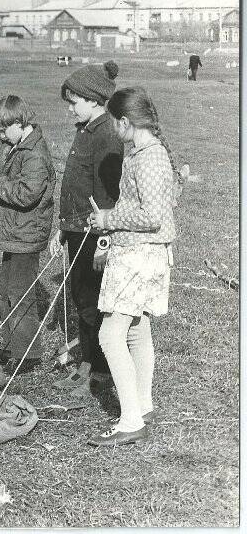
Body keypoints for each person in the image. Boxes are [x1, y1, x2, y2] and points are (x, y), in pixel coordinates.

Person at [87, 87, 179, 446]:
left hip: (141, 254)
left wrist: (109, 217)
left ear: (125, 121)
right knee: (136, 330)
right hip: (140, 252)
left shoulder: (151, 158)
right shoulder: (140, 152)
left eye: (114, 121)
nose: (113, 128)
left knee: (110, 335)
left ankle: (130, 422)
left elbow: (153, 216)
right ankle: (142, 405)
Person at [48, 61, 123, 395]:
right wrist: (64, 229)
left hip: (96, 234)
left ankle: (101, 373)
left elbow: (107, 194)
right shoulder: (86, 129)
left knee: (94, 302)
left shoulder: (106, 135)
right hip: (78, 230)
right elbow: (77, 188)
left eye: (73, 102)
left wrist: (104, 241)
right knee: (81, 298)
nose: (69, 109)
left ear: (94, 100)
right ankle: (87, 364)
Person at [0, 95, 55, 375]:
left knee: (20, 294)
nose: (2, 136)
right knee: (6, 292)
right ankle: (11, 346)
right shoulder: (16, 145)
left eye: (5, 129)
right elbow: (5, 173)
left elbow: (26, 194)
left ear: (20, 123)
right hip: (14, 234)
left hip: (26, 235)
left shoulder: (35, 154)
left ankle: (28, 354)